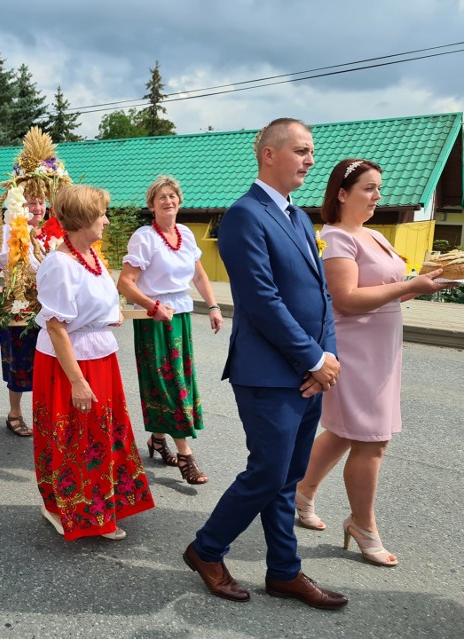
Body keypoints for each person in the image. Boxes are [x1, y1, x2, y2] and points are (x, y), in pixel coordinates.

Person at [184, 118, 348, 609]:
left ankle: (284, 571)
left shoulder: (298, 217)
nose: (311, 160)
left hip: (307, 372)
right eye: (301, 150)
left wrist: (328, 358)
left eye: (311, 151)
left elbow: (318, 295)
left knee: (288, 475)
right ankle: (206, 549)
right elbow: (260, 299)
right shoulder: (244, 215)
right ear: (269, 154)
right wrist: (313, 357)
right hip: (265, 372)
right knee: (268, 471)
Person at [294, 159, 455, 567]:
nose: (377, 196)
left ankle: (301, 492)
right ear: (342, 194)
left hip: (382, 344)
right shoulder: (335, 238)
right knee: (372, 438)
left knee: (347, 431)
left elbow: (390, 292)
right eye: (368, 188)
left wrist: (425, 283)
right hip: (356, 346)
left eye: (379, 188)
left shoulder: (373, 237)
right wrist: (411, 284)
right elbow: (346, 298)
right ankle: (362, 524)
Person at [32, 184, 154, 541]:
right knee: (71, 435)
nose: (106, 219)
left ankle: (99, 505)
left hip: (99, 354)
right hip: (68, 362)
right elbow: (56, 327)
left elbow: (98, 302)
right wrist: (77, 381)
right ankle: (61, 507)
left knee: (100, 432)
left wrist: (109, 315)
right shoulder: (60, 264)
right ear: (84, 218)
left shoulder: (93, 256)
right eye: (101, 214)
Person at [118, 175, 223, 485]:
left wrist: (214, 307)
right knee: (170, 384)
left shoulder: (186, 234)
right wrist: (153, 307)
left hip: (181, 318)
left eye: (172, 195)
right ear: (152, 205)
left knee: (178, 383)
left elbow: (200, 277)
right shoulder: (144, 238)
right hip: (155, 321)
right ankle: (185, 455)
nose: (168, 200)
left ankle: (157, 440)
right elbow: (125, 282)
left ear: (179, 200)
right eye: (160, 197)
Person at [0, 195, 47, 437]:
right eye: (31, 204)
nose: (38, 208)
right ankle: (14, 413)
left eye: (42, 202)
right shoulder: (10, 229)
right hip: (20, 306)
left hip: (49, 307)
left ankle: (47, 414)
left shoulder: (53, 229)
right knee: (20, 362)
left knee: (50, 363)